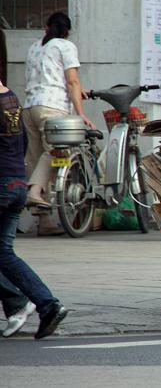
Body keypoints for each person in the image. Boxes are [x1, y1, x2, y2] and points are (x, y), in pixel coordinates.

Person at [0, 78, 68, 338]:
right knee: (4, 253)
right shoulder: (12, 99)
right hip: (16, 182)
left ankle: (20, 302)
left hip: (2, 187)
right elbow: (24, 144)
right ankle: (48, 305)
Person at [22, 12, 95, 208]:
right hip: (52, 108)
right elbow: (72, 82)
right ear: (68, 32)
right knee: (57, 152)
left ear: (47, 27)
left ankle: (44, 221)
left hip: (30, 107)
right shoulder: (65, 46)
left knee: (36, 161)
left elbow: (47, 79)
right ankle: (35, 190)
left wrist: (80, 91)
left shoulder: (34, 48)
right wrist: (81, 114)